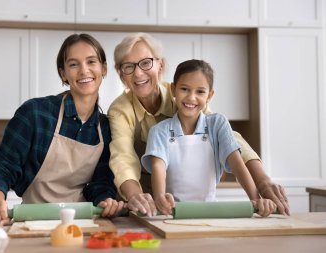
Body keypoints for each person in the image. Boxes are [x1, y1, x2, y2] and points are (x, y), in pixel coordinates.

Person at [107, 32, 289, 217]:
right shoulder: (121, 111)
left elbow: (228, 139)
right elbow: (123, 159)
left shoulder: (182, 95)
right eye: (128, 66)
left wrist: (262, 181)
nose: (138, 72)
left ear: (160, 65)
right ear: (121, 74)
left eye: (146, 62)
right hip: (145, 204)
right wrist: (137, 195)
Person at [0, 33, 125, 224]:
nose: (84, 70)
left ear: (103, 69)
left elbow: (100, 182)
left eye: (91, 62)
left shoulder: (104, 128)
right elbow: (3, 167)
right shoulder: (35, 113)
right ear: (63, 73)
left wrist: (105, 200)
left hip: (82, 222)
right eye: (73, 64)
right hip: (32, 220)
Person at [140, 59, 276, 217]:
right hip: (172, 213)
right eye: (184, 89)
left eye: (200, 92)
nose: (191, 97)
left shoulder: (217, 124)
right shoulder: (159, 131)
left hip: (211, 213)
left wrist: (256, 200)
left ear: (210, 95)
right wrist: (160, 198)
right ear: (173, 89)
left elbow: (237, 163)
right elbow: (158, 169)